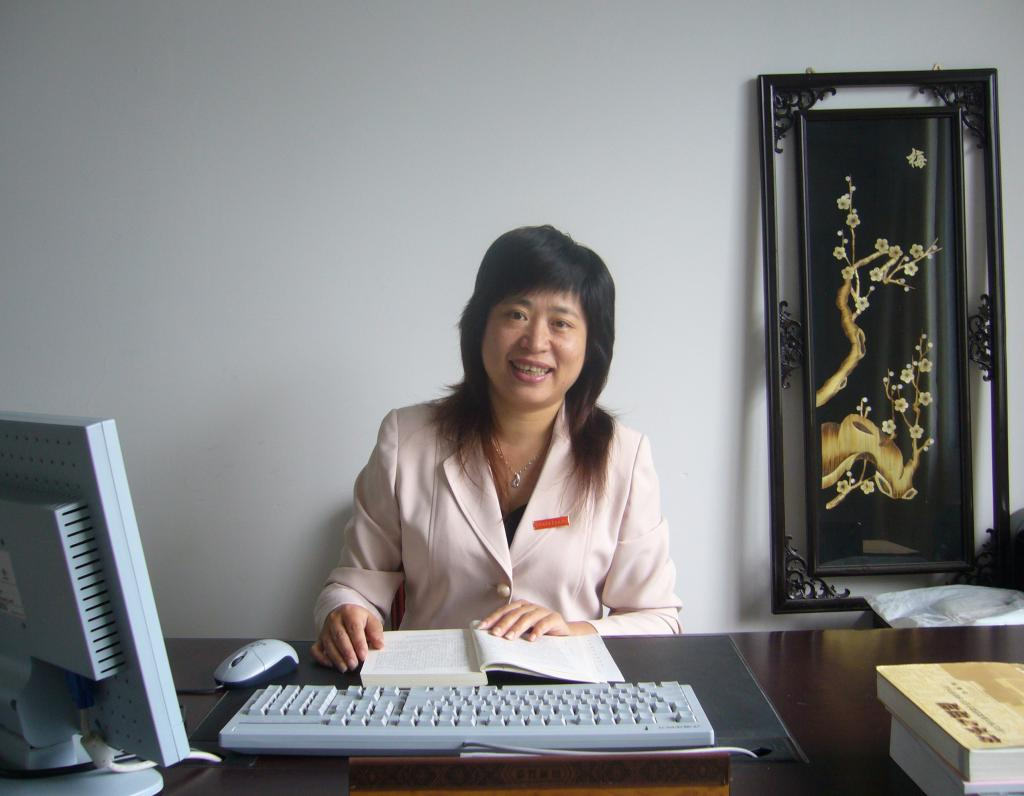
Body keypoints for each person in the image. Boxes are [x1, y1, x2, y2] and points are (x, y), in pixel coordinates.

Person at [312, 225, 681, 672]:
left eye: (561, 323)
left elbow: (657, 620)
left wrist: (575, 631)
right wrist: (345, 613)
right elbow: (354, 584)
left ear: (591, 346)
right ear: (480, 326)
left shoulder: (623, 457)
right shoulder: (406, 439)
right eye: (516, 314)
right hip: (434, 690)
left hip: (564, 696)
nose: (535, 342)